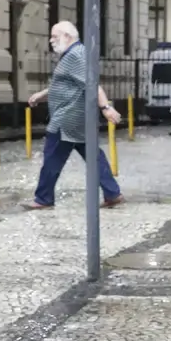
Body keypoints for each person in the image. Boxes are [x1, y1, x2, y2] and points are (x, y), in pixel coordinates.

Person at [24, 21, 124, 210]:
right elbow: (66, 82)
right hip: (78, 120)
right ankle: (113, 193)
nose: (51, 40)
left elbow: (92, 84)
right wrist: (42, 95)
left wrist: (106, 107)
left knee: (52, 158)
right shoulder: (75, 54)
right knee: (94, 157)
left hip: (66, 120)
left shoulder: (75, 55)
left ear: (68, 37)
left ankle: (43, 199)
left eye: (55, 36)